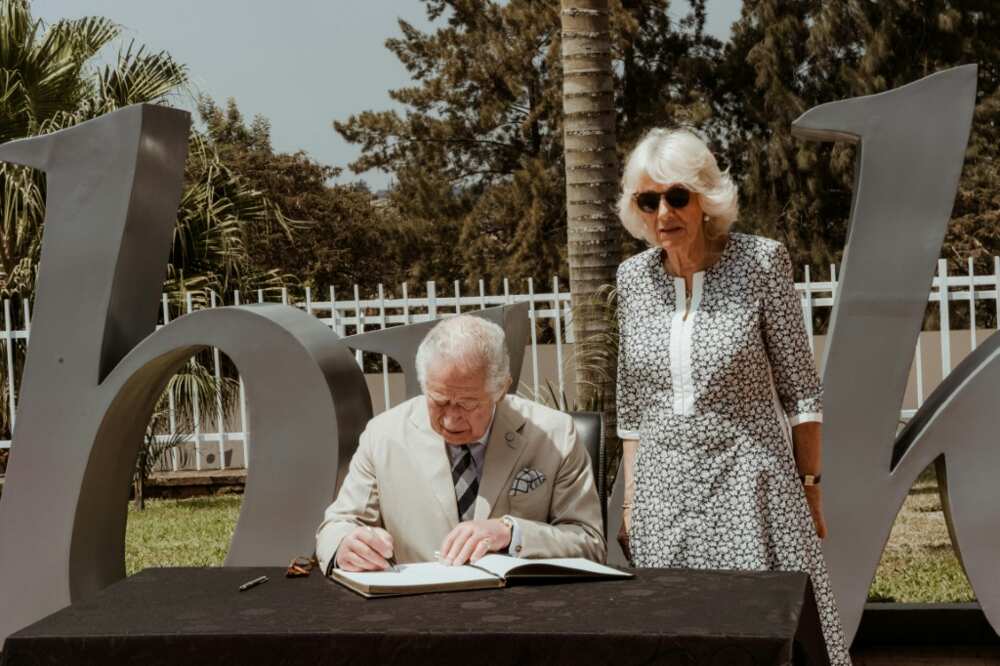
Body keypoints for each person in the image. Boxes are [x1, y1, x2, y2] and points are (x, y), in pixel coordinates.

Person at [614, 128, 851, 665]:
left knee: (764, 632)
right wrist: (630, 503)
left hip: (750, 490)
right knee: (674, 636)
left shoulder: (761, 263)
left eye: (677, 196)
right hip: (663, 495)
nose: (663, 213)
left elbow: (801, 394)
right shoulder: (631, 279)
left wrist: (810, 488)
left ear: (705, 198)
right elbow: (633, 406)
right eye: (648, 201)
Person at [316, 315, 605, 574]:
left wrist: (512, 533)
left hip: (520, 612)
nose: (452, 420)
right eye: (439, 402)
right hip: (417, 611)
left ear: (501, 388)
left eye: (467, 404)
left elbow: (589, 544)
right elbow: (336, 526)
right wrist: (345, 545)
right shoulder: (383, 435)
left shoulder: (554, 434)